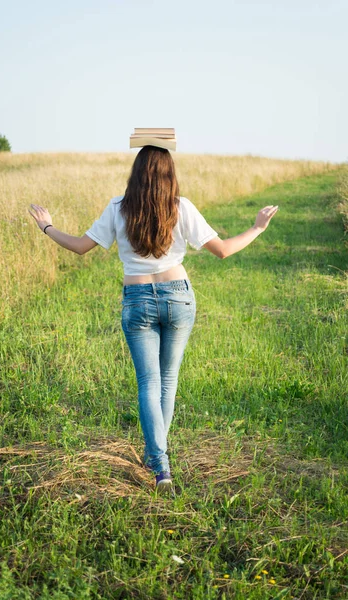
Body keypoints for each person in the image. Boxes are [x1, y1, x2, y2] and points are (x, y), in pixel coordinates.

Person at [28, 145, 278, 495]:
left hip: (137, 299)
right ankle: (156, 456)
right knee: (168, 379)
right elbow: (223, 250)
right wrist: (258, 228)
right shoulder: (181, 207)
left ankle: (160, 467)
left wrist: (47, 226)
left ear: (137, 172)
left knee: (148, 382)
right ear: (169, 173)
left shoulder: (118, 208)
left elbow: (80, 246)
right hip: (178, 295)